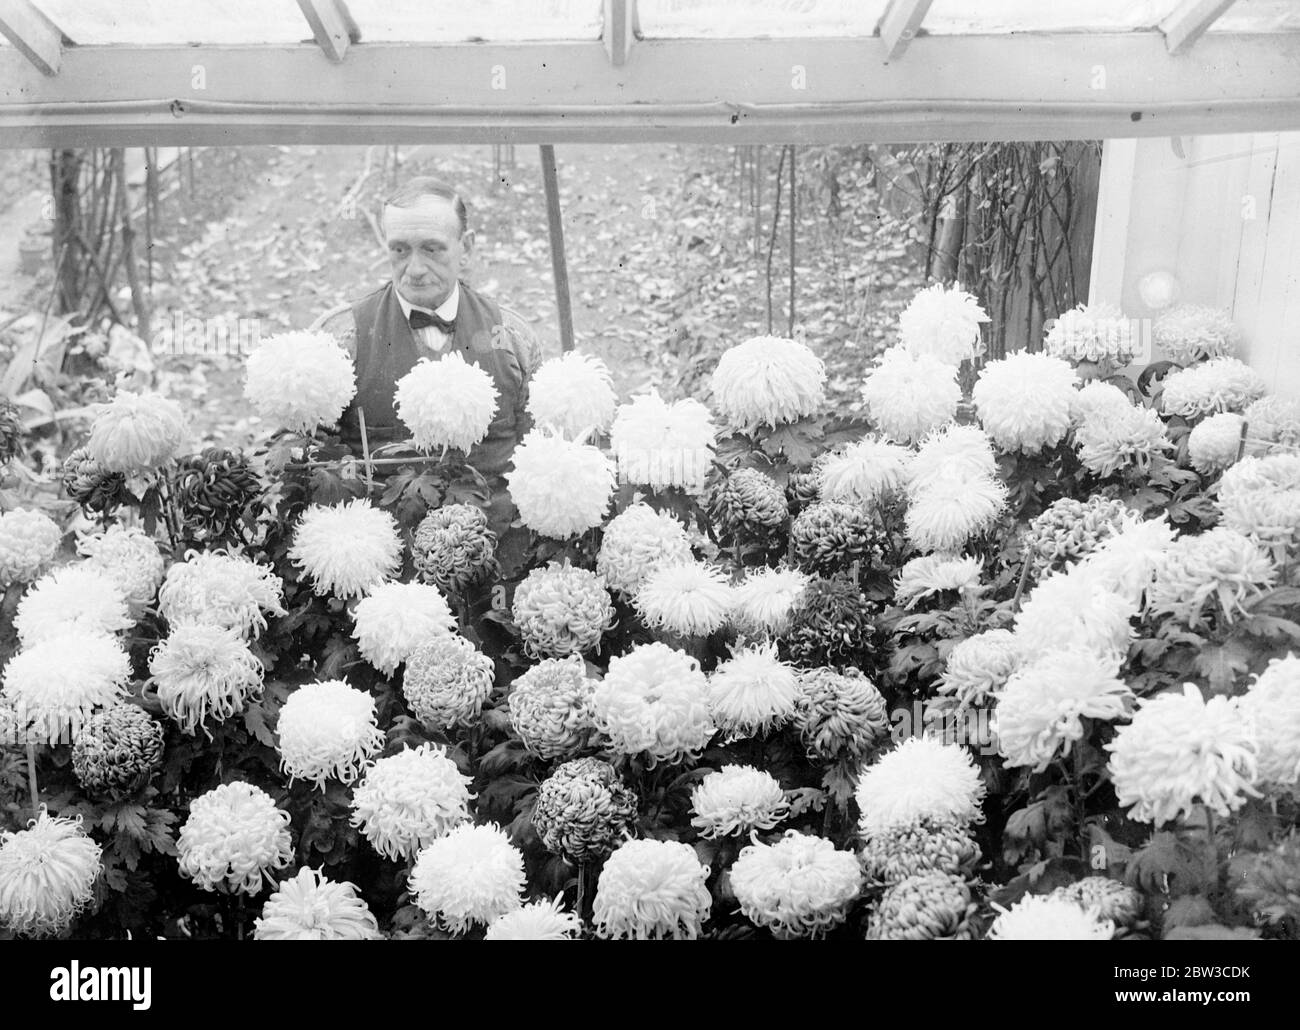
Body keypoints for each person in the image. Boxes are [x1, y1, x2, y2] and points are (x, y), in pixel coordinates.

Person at [313, 176, 541, 533]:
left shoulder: (513, 339)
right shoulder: (342, 339)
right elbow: (306, 466)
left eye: (432, 249)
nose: (415, 269)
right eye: (400, 250)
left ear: (466, 247)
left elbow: (543, 456)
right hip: (384, 566)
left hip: (496, 558)